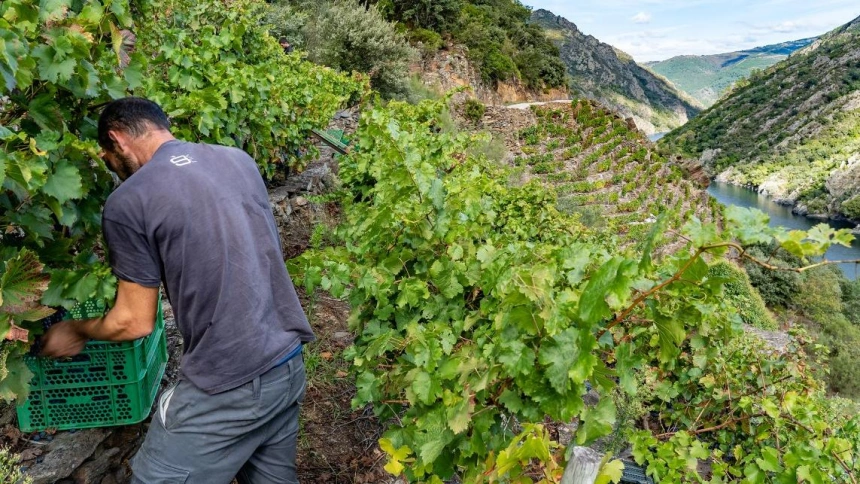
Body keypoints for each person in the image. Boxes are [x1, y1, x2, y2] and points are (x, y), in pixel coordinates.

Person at [41, 97, 315, 484]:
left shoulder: (129, 201)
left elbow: (133, 322)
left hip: (228, 383)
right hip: (286, 363)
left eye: (107, 157)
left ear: (117, 139)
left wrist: (75, 330)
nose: (113, 169)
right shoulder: (237, 159)